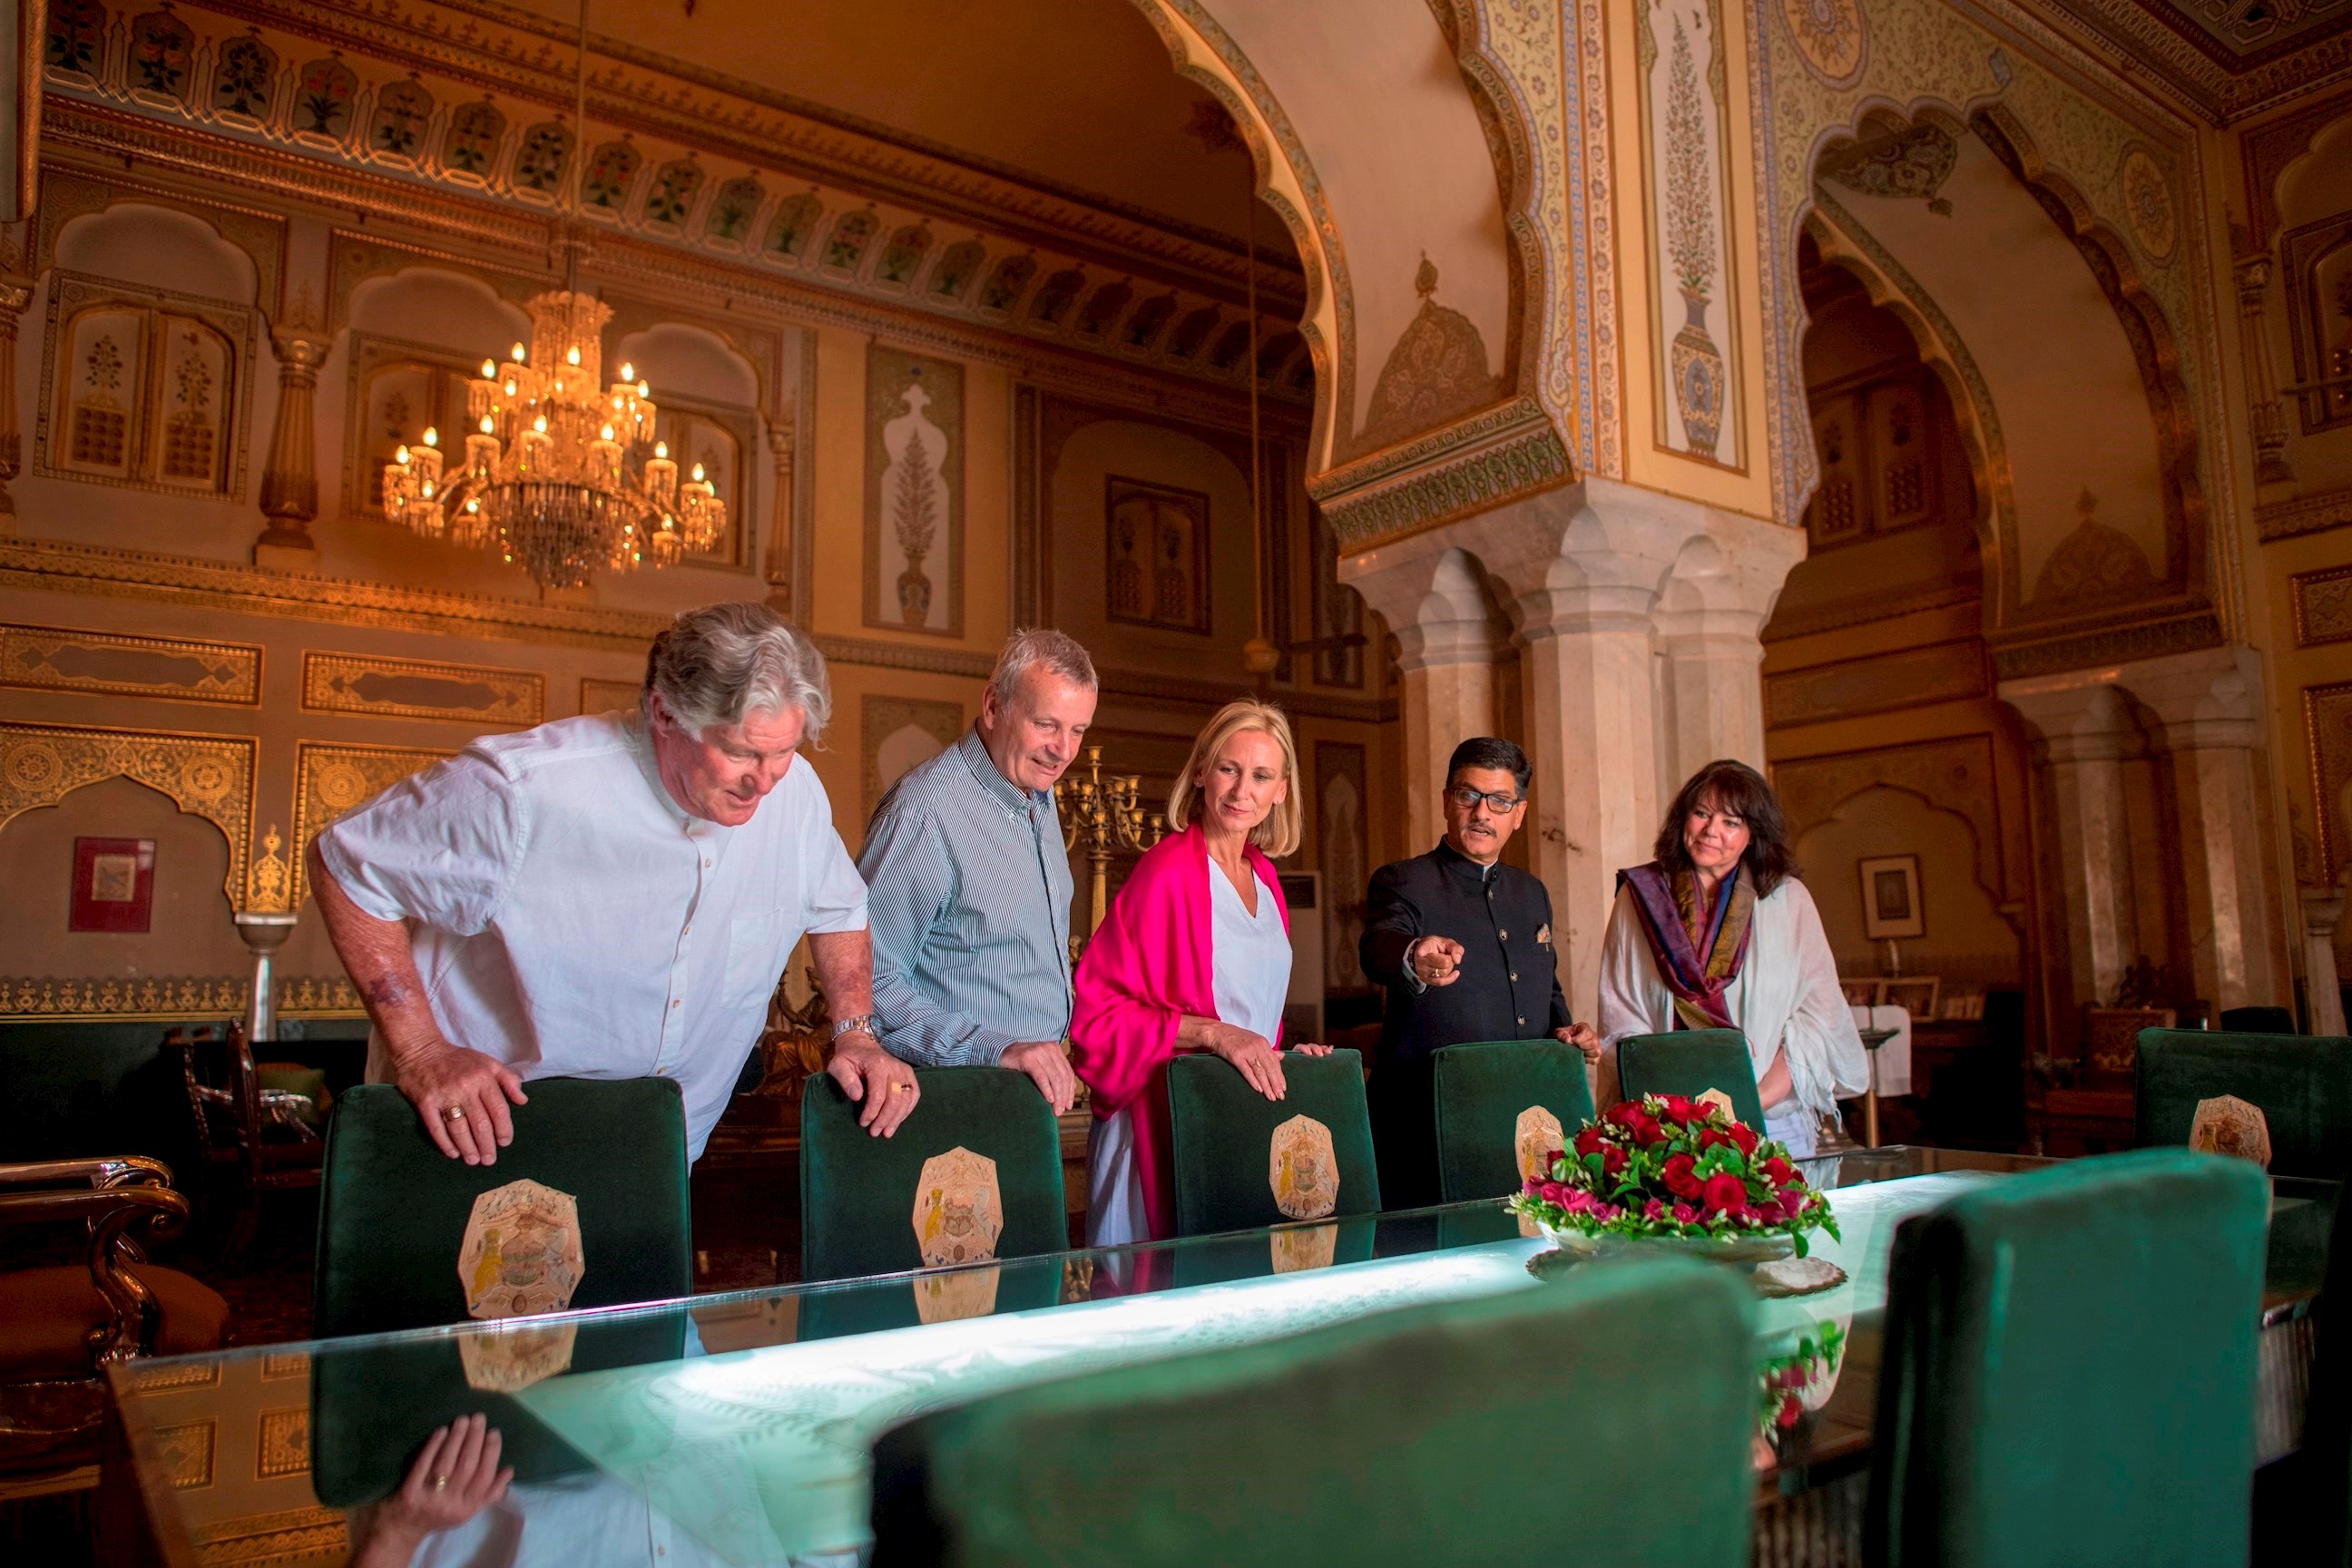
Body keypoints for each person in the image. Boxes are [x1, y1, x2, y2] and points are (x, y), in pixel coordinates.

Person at [309, 602, 918, 1168]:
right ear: (664, 713)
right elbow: (345, 864)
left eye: (782, 751)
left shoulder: (797, 793)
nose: (764, 781)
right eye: (739, 752)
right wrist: (421, 1050)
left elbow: (839, 908)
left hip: (660, 1156)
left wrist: (856, 1034)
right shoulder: (525, 790)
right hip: (478, 1137)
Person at [1069, 700, 1329, 1244]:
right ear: (1201, 773)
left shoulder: (1266, 879)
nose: (1241, 791)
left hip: (1238, 1117)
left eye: (1261, 776)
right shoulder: (1166, 871)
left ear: (1282, 790)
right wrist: (1213, 1034)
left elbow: (1252, 1016)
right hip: (1162, 1124)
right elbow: (1097, 1014)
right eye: (1229, 769)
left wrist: (1286, 1059)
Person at [858, 630, 1097, 1111]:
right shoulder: (927, 811)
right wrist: (996, 1049)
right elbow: (868, 983)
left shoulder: (1036, 794)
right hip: (948, 1103)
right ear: (993, 707)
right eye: (1046, 725)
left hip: (1028, 1101)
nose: (1064, 750)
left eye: (1078, 730)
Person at [1358, 737, 1601, 1208]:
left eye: (1499, 801)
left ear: (1519, 814)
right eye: (1469, 795)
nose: (1482, 813)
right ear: (1447, 801)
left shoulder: (1532, 892)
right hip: (1425, 1126)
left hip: (1520, 1122)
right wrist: (1414, 955)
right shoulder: (1403, 880)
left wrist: (1567, 1031)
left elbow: (1546, 987)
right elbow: (1377, 948)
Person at [1597, 758, 1867, 1157]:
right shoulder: (1640, 896)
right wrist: (1672, 1112)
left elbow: (1815, 1020)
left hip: (1771, 1119)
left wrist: (1750, 1101)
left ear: (1753, 834)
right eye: (1701, 814)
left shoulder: (1788, 900)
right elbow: (1622, 1016)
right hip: (1667, 1122)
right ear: (1682, 819)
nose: (1711, 831)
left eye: (1731, 822)